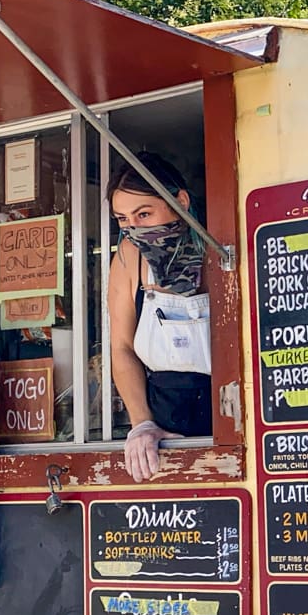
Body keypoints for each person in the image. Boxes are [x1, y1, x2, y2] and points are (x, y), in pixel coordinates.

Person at [106, 153, 212, 482]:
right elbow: (121, 347)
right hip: (161, 425)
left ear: (179, 200)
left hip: (229, 410)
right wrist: (143, 425)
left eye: (144, 213)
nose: (134, 228)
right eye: (123, 219)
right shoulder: (128, 257)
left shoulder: (220, 248)